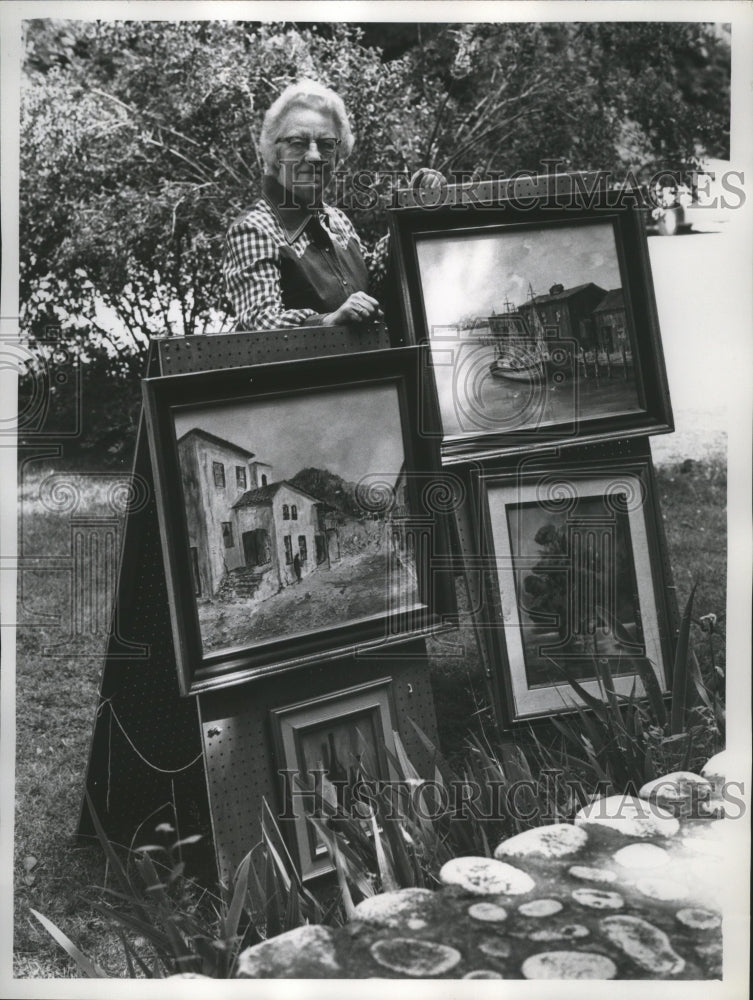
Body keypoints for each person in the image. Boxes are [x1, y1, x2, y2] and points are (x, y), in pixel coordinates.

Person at [223, 79, 387, 332]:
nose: (314, 156)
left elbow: (373, 284)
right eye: (298, 143)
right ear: (274, 153)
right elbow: (260, 321)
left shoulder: (337, 220)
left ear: (338, 156)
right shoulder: (255, 228)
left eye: (326, 144)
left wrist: (413, 216)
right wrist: (328, 320)